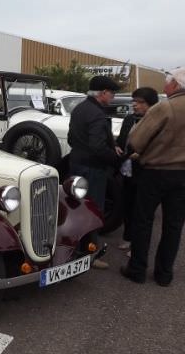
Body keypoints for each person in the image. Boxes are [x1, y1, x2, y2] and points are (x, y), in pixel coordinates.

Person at [121, 67, 185, 286]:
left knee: (143, 221)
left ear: (175, 85)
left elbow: (136, 141)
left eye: (167, 82)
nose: (165, 85)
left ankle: (137, 269)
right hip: (183, 176)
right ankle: (164, 274)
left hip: (156, 172)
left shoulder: (164, 107)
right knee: (174, 226)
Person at [68, 75, 121, 269]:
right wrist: (116, 158)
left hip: (77, 163)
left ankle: (73, 249)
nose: (113, 97)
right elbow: (97, 146)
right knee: (93, 211)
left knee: (76, 207)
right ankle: (90, 253)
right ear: (103, 93)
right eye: (112, 93)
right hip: (92, 168)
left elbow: (71, 138)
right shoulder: (97, 114)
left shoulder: (80, 109)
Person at [115, 87, 159, 255]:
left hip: (144, 171)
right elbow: (121, 140)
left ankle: (137, 246)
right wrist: (117, 146)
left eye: (140, 102)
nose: (135, 105)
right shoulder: (128, 119)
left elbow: (156, 146)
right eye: (134, 101)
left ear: (151, 105)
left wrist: (140, 154)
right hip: (125, 170)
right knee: (126, 205)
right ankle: (127, 237)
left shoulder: (155, 121)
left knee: (141, 211)